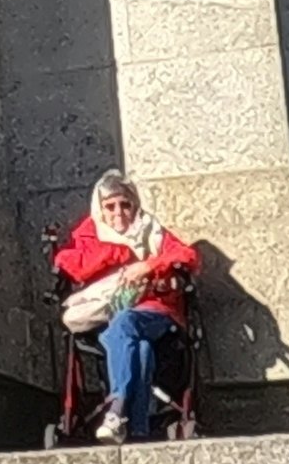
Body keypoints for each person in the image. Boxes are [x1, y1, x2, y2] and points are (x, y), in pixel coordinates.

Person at [52, 174, 210, 442]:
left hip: (156, 311)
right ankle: (138, 429)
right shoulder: (90, 234)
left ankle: (116, 407)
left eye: (125, 205)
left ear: (135, 206)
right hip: (106, 315)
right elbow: (71, 264)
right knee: (138, 345)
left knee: (124, 323)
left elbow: (188, 256)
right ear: (100, 209)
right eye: (110, 206)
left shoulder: (153, 231)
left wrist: (148, 265)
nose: (118, 213)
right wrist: (118, 253)